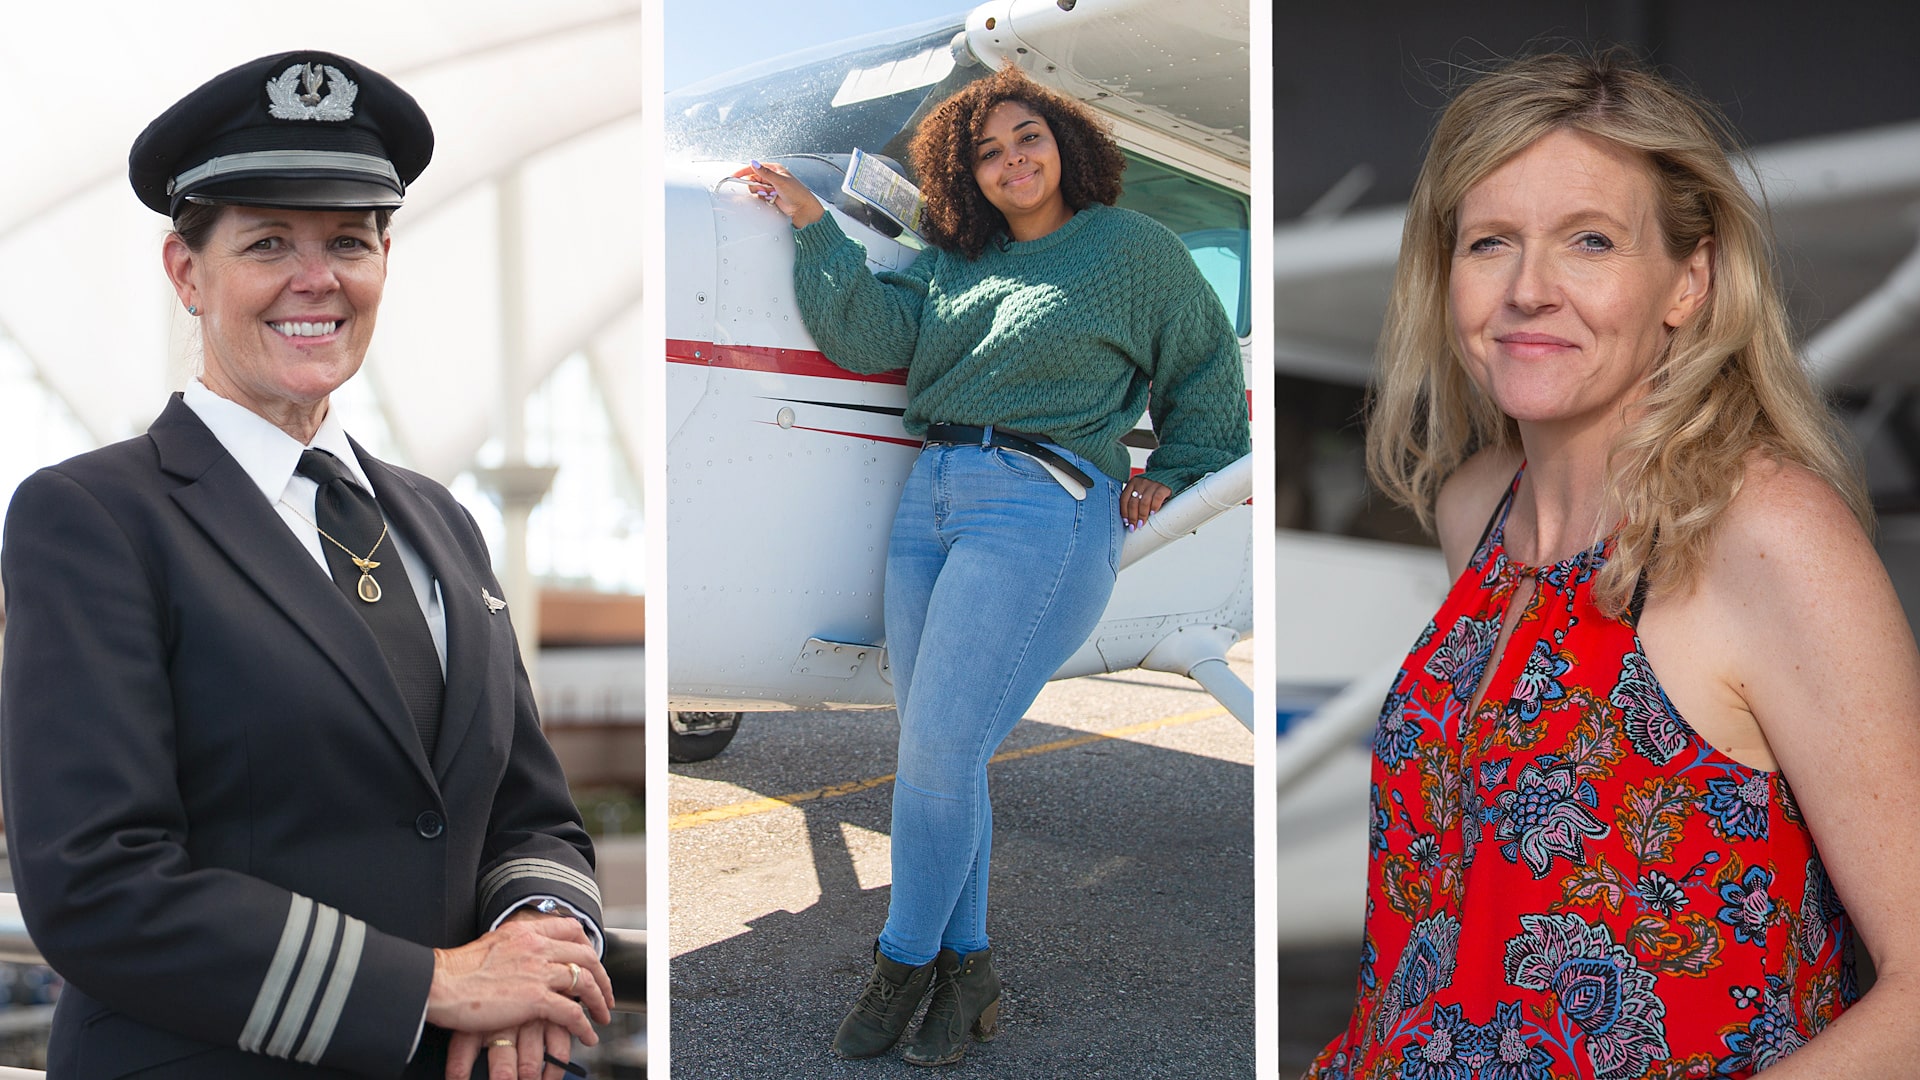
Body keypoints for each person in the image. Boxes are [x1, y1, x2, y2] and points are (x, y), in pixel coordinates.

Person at [0, 51, 614, 1080]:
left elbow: (531, 813)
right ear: (187, 273)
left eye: (348, 241)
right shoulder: (95, 518)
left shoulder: (441, 521)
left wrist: (540, 947)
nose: (315, 278)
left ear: (383, 263)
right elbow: (97, 883)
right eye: (268, 242)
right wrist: (437, 984)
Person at [1309, 50, 1920, 1078]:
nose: (1529, 290)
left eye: (1589, 241)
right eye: (1490, 242)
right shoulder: (1477, 510)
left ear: (1692, 278)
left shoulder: (1768, 532)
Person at [741, 64, 1250, 1067]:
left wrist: (1180, 471)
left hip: (1041, 507)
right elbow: (862, 333)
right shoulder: (949, 260)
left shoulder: (1132, 250)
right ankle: (969, 975)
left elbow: (1203, 369)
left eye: (1027, 138)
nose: (1011, 160)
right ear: (962, 175)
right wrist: (810, 224)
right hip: (927, 500)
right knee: (944, 753)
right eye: (986, 152)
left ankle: (900, 966)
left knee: (934, 755)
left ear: (1064, 143)